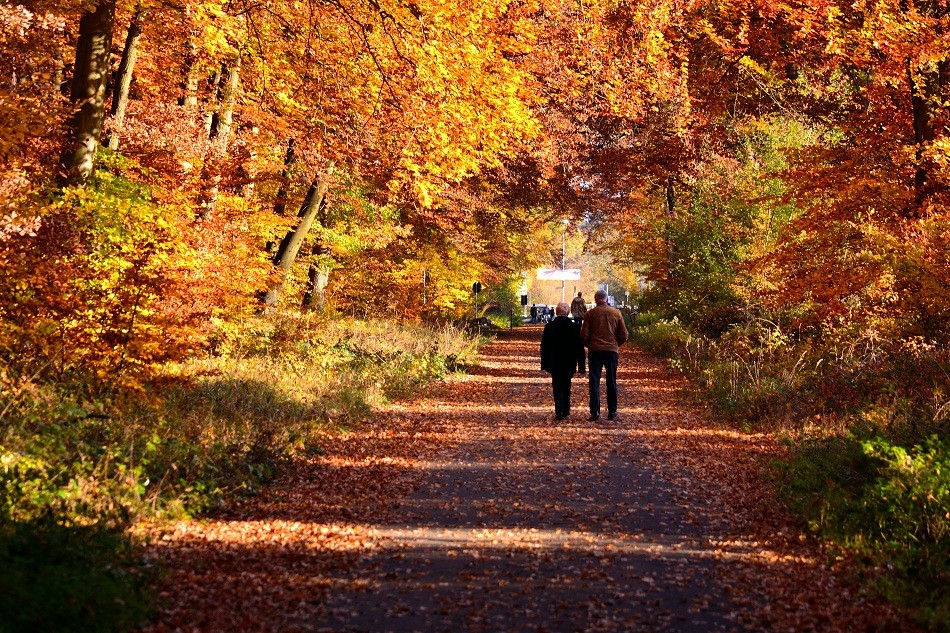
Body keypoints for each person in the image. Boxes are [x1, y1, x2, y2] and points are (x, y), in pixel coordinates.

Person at [580, 289, 628, 422]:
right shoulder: (616, 313)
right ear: (606, 299)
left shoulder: (590, 314)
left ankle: (595, 412)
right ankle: (612, 411)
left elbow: (584, 335)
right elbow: (624, 334)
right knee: (611, 380)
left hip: (595, 350)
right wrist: (616, 344)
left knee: (594, 381)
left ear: (596, 299)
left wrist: (589, 344)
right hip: (611, 351)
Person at [540, 302, 586, 420]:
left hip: (554, 361)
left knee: (556, 385)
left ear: (557, 312)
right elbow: (580, 348)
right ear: (568, 312)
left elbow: (544, 346)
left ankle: (559, 411)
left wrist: (544, 363)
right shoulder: (575, 327)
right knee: (566, 385)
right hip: (569, 361)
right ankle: (566, 409)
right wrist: (581, 366)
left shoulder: (550, 327)